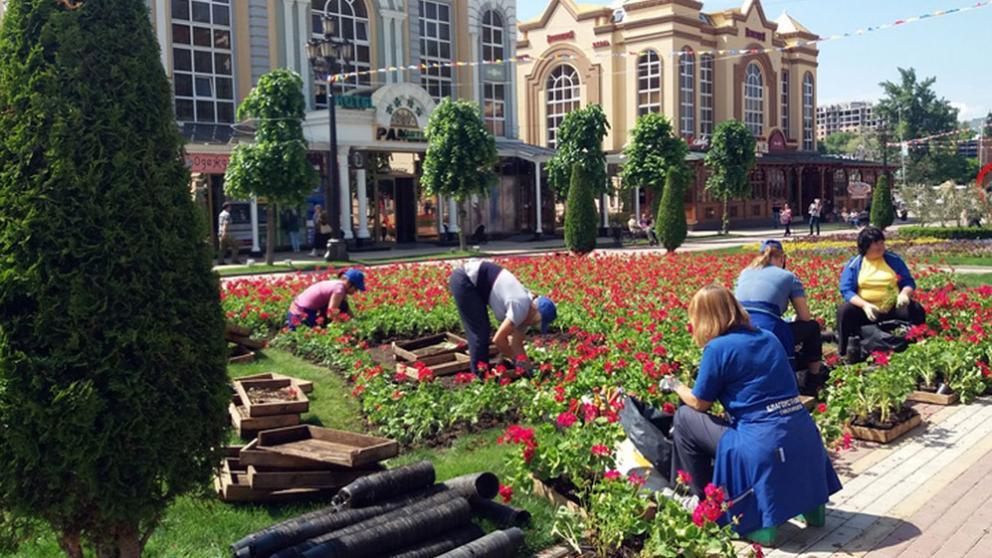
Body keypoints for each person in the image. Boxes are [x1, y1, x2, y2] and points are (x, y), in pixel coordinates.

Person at [666, 285, 841, 536]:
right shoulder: (768, 337)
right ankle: (812, 507)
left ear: (704, 319)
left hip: (759, 442)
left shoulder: (718, 348)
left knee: (684, 418)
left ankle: (705, 500)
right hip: (801, 432)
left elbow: (699, 403)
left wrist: (675, 385)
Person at [735, 240, 825, 388]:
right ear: (782, 258)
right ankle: (813, 378)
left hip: (739, 327)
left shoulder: (744, 273)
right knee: (813, 327)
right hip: (768, 330)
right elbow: (805, 317)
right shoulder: (788, 276)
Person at [448, 259, 557, 374]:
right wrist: (516, 361)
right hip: (465, 279)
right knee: (479, 333)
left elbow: (517, 343)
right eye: (536, 322)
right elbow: (499, 340)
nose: (533, 325)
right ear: (535, 310)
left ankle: (483, 374)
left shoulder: (526, 315)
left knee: (482, 331)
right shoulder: (521, 305)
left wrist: (528, 369)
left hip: (476, 283)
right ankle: (480, 378)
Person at [836, 226, 927, 357]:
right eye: (876, 243)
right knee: (844, 311)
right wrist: (864, 305)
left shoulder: (893, 260)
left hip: (893, 307)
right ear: (866, 246)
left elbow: (908, 281)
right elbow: (846, 290)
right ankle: (845, 351)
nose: (881, 246)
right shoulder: (855, 264)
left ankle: (918, 342)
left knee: (916, 309)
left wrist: (904, 294)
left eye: (882, 242)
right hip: (867, 310)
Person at [285, 268, 366, 330]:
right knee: (313, 333)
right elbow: (331, 314)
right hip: (300, 314)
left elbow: (346, 308)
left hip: (298, 309)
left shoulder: (338, 285)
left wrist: (354, 321)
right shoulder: (339, 290)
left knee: (343, 304)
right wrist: (344, 326)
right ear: (349, 283)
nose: (356, 291)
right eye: (356, 289)